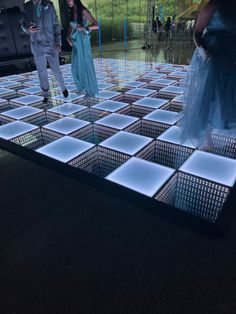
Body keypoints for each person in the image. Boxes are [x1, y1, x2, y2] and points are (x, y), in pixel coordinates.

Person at [180, 0, 236, 148]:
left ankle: (226, 124)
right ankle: (207, 134)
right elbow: (197, 33)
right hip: (214, 57)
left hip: (232, 56)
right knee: (211, 95)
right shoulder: (213, 5)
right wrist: (202, 50)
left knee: (230, 95)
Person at [21, 0, 68, 104]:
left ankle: (63, 88)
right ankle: (46, 95)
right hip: (36, 45)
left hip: (51, 44)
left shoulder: (49, 5)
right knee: (41, 71)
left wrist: (58, 42)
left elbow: (56, 25)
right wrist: (28, 30)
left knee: (56, 70)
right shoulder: (26, 6)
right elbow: (23, 24)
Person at [65, 0, 98, 97]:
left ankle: (89, 91)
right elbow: (72, 25)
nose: (67, 1)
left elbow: (96, 25)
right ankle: (81, 88)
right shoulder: (72, 12)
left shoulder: (83, 11)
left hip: (83, 40)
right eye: (66, 0)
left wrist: (84, 28)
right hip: (76, 42)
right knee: (74, 68)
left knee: (85, 65)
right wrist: (68, 37)